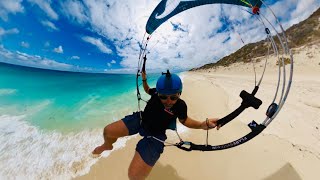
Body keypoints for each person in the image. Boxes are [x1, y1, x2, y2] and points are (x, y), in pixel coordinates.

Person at [93, 70, 220, 180]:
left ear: (179, 94)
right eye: (163, 97)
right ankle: (107, 145)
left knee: (134, 176)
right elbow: (147, 89)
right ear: (159, 93)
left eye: (173, 97)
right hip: (141, 120)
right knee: (108, 131)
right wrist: (144, 79)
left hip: (156, 135)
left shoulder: (181, 106)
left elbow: (185, 120)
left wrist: (202, 124)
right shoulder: (155, 93)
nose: (168, 101)